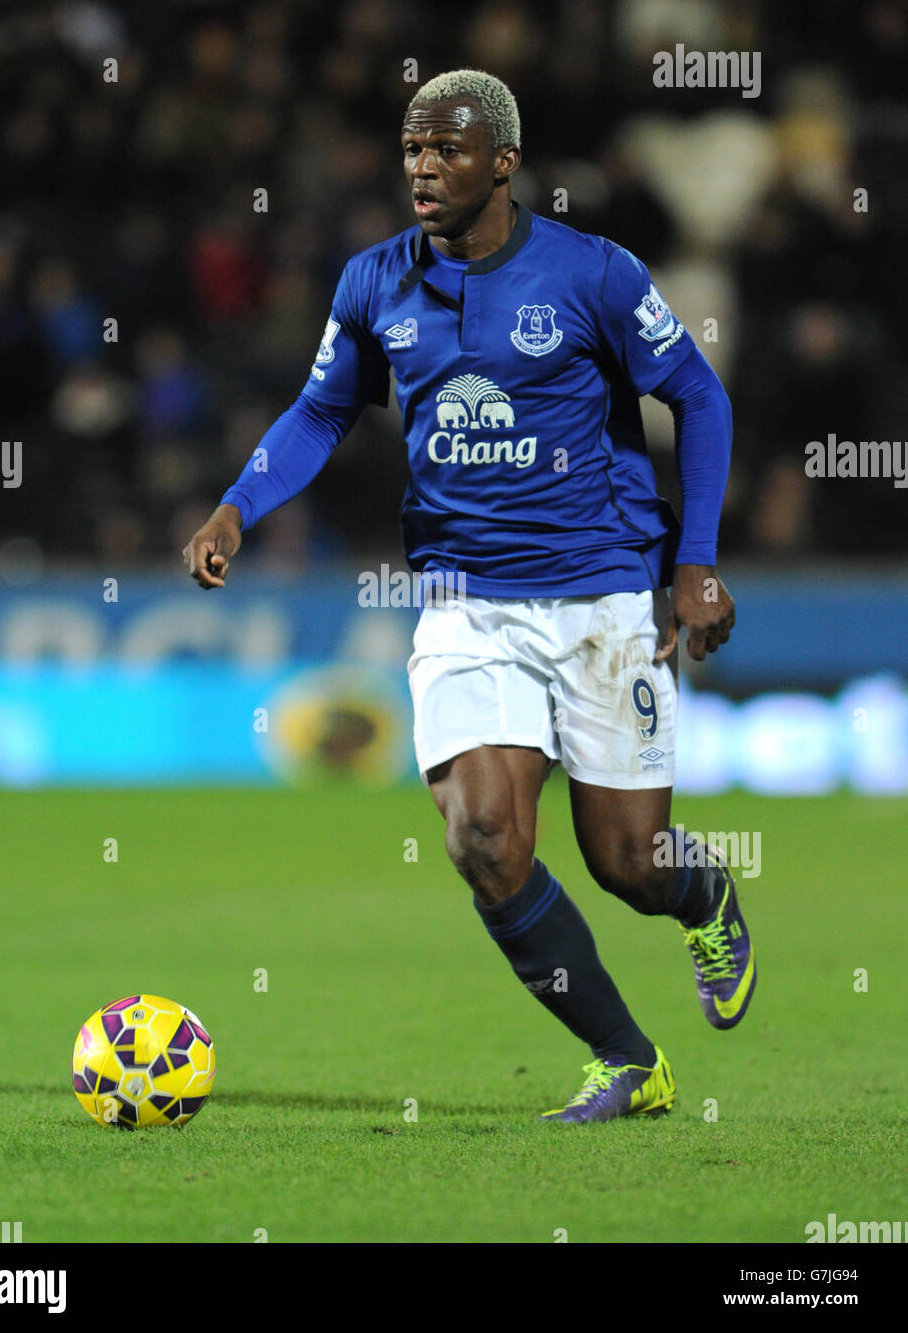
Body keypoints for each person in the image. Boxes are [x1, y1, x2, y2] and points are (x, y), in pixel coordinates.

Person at [183, 69, 753, 1123]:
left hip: (602, 601)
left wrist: (697, 559)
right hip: (465, 602)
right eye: (410, 150)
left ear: (503, 161)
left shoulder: (594, 273)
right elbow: (319, 412)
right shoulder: (373, 283)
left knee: (628, 864)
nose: (422, 168)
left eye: (446, 149)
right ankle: (628, 1060)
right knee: (484, 839)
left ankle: (701, 892)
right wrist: (235, 509)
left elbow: (698, 397)